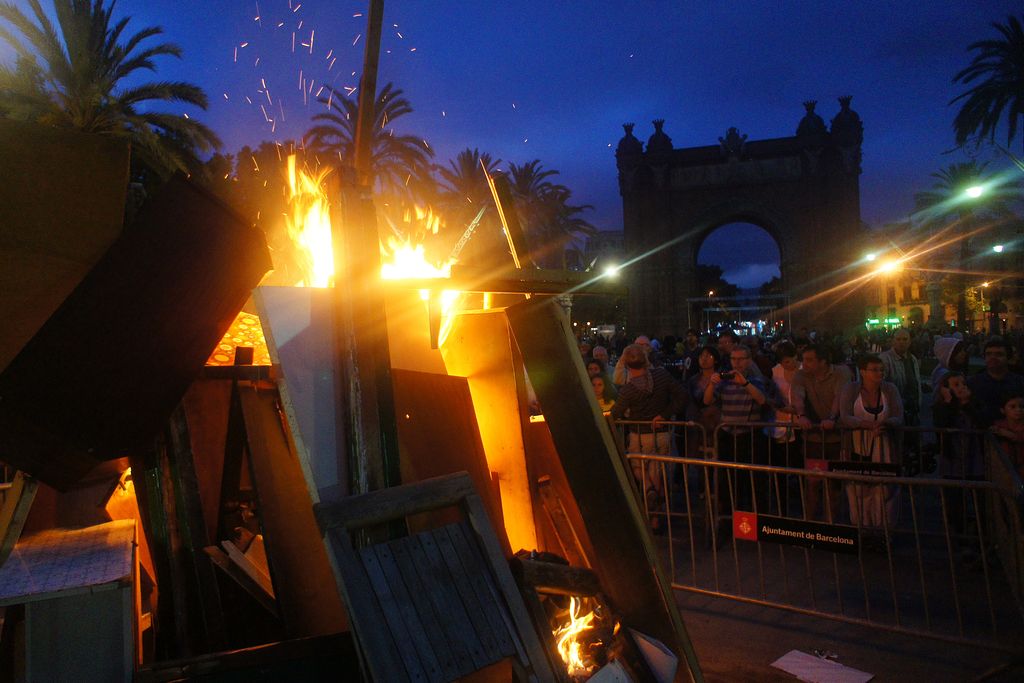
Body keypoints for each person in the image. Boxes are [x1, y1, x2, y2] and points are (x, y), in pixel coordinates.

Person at [611, 343, 687, 530]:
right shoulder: (661, 376)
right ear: (646, 361)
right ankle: (657, 518)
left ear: (627, 366)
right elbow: (682, 396)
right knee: (657, 473)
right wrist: (665, 414)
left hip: (638, 435)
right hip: (661, 434)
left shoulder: (628, 390)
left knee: (638, 467)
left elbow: (615, 413)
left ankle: (647, 490)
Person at [838, 355, 903, 532]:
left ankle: (884, 530)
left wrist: (886, 424)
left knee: (885, 491)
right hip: (857, 447)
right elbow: (845, 416)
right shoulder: (851, 390)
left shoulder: (890, 390)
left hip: (884, 448)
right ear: (863, 371)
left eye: (881, 369)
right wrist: (866, 424)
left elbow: (898, 415)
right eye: (874, 369)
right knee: (858, 491)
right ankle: (861, 529)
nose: (879, 373)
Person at [704, 345, 771, 517]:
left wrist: (745, 383)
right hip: (727, 434)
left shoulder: (755, 379)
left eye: (741, 359)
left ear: (748, 360)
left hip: (750, 435)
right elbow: (707, 400)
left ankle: (756, 518)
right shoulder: (725, 380)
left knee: (753, 480)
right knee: (728, 480)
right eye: (734, 359)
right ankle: (730, 517)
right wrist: (711, 384)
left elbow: (762, 399)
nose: (737, 363)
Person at [794, 344, 851, 522]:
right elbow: (798, 396)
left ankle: (830, 524)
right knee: (812, 482)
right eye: (803, 360)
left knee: (834, 484)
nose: (805, 364)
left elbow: (840, 397)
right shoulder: (801, 375)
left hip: (837, 438)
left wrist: (832, 418)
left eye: (810, 360)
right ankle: (809, 523)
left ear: (823, 361)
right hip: (814, 438)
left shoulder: (841, 373)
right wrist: (802, 415)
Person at [967, 338, 1024, 428]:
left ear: (1008, 357)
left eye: (999, 354)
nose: (993, 357)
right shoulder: (973, 383)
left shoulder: (1019, 382)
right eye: (989, 354)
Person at [880, 328, 922, 426]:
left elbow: (916, 382)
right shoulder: (885, 359)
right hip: (894, 410)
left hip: (913, 409)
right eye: (898, 339)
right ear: (893, 341)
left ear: (910, 341)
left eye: (904, 339)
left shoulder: (912, 359)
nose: (901, 342)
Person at [991, 393, 1024, 479]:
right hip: (1004, 469)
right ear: (1003, 410)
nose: (1018, 410)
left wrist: (1009, 435)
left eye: (1021, 407)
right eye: (1013, 407)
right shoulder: (998, 426)